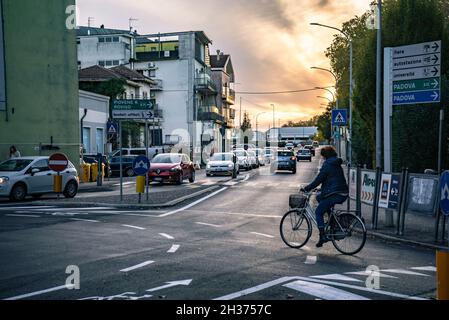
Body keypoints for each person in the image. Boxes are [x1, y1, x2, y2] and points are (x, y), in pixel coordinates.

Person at [301, 146, 349, 248]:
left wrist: (307, 188)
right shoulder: (336, 163)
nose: (322, 158)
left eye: (322, 156)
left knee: (318, 212)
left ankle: (322, 236)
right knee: (319, 197)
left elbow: (319, 179)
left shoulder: (327, 164)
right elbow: (332, 179)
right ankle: (331, 222)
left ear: (325, 156)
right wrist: (322, 189)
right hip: (341, 191)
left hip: (335, 193)